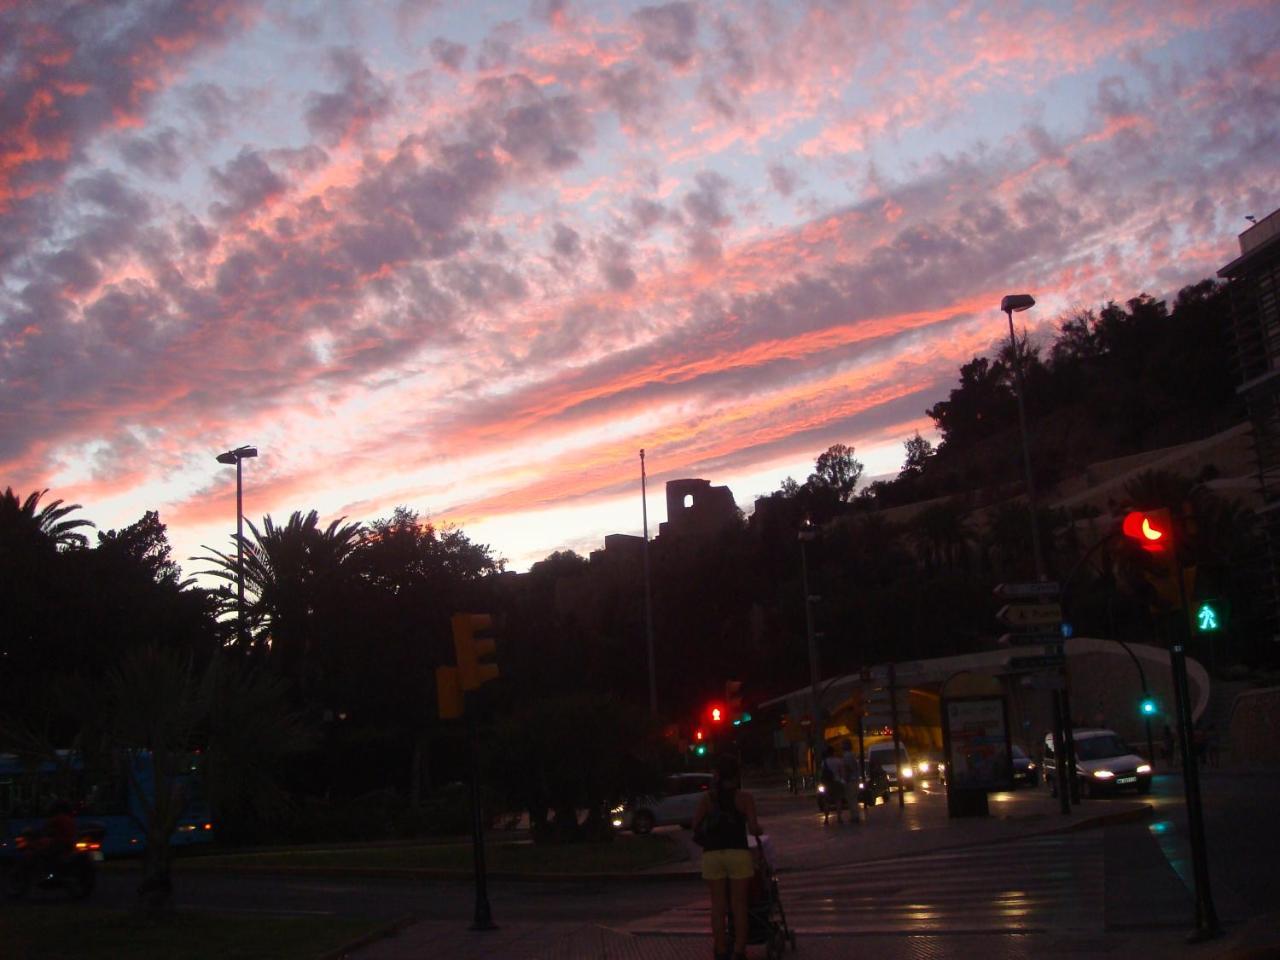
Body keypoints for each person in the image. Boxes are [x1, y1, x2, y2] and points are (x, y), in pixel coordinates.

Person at [693, 755, 761, 960]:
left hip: (712, 855)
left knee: (718, 906)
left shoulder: (708, 799)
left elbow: (695, 825)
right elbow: (753, 828)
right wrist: (760, 829)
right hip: (737, 853)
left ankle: (720, 949)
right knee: (739, 904)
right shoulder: (745, 798)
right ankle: (739, 950)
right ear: (736, 776)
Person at [820, 745, 845, 823]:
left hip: (827, 783)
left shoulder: (824, 762)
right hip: (836, 782)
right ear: (833, 752)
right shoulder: (838, 761)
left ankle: (826, 818)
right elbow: (842, 772)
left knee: (827, 801)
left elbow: (822, 773)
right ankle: (839, 818)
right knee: (838, 800)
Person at [839, 740, 860, 818]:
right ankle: (855, 815)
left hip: (850, 780)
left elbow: (847, 768)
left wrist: (845, 778)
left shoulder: (846, 756)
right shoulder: (852, 755)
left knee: (851, 799)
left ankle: (854, 816)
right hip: (854, 779)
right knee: (854, 798)